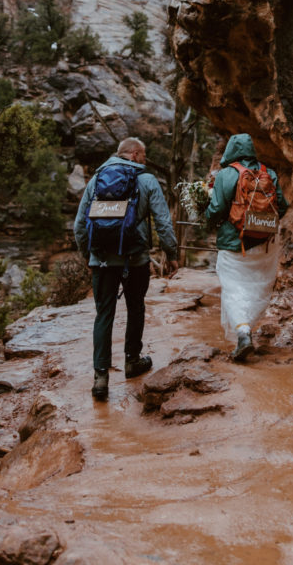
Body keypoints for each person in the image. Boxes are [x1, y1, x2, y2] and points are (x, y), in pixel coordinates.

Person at [74, 136, 179, 401]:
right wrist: (171, 253)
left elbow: (79, 226)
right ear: (133, 154)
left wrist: (90, 256)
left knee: (103, 314)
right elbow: (163, 222)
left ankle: (100, 377)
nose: (145, 159)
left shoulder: (96, 180)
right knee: (136, 307)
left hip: (102, 261)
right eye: (143, 155)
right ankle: (132, 361)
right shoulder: (147, 180)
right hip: (135, 260)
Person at [206, 133, 289, 361]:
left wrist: (208, 221)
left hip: (235, 242)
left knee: (233, 288)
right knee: (258, 286)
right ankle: (248, 327)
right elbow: (282, 205)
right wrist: (262, 225)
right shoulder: (268, 172)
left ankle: (243, 333)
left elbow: (217, 209)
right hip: (265, 245)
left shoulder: (226, 174)